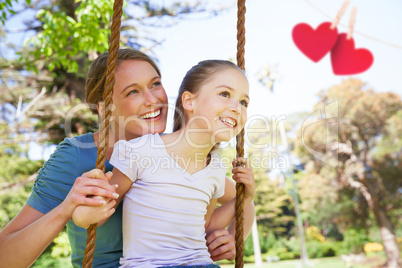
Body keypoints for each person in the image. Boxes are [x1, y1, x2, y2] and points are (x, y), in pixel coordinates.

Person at [0, 49, 255, 268]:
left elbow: (236, 200)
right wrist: (66, 209)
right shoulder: (78, 155)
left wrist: (231, 237)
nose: (153, 100)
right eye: (133, 92)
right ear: (104, 109)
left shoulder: (174, 150)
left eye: (155, 84)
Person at [73, 59, 255, 268]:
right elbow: (95, 215)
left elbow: (203, 227)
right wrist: (83, 213)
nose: (236, 108)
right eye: (225, 94)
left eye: (244, 102)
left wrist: (243, 199)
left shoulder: (215, 168)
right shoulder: (143, 150)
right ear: (189, 102)